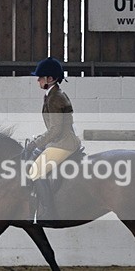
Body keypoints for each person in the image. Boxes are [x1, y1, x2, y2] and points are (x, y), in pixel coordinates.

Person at [25, 57, 81, 222]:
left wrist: (36, 143)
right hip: (60, 140)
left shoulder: (55, 97)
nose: (38, 80)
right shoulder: (53, 94)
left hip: (63, 143)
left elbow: (55, 129)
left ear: (51, 79)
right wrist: (39, 140)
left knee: (35, 171)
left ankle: (48, 212)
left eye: (41, 77)